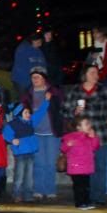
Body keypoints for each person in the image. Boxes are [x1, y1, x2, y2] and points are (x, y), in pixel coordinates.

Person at [61, 64, 107, 206]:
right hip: (81, 137)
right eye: (92, 72)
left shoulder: (104, 90)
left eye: (97, 73)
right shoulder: (75, 91)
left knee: (100, 165)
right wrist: (74, 112)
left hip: (101, 133)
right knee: (85, 167)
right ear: (84, 74)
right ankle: (86, 196)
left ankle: (99, 196)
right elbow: (64, 110)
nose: (95, 75)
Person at [18, 67, 64, 202]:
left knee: (50, 163)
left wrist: (52, 100)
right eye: (33, 77)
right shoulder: (28, 94)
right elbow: (23, 111)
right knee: (38, 163)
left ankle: (50, 190)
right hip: (35, 133)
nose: (35, 80)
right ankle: (38, 189)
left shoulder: (54, 92)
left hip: (51, 132)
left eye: (37, 77)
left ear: (44, 78)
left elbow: (62, 109)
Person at [3, 96, 50, 203]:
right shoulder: (13, 124)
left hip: (30, 153)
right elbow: (5, 133)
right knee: (19, 175)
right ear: (19, 114)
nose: (29, 114)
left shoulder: (31, 122)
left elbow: (40, 113)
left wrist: (46, 102)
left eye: (29, 112)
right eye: (26, 113)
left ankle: (28, 194)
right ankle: (16, 194)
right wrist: (12, 139)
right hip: (20, 153)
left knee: (29, 176)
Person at [61, 117, 101, 210]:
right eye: (86, 124)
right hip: (76, 167)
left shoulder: (89, 137)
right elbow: (63, 149)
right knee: (79, 187)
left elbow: (95, 147)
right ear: (78, 127)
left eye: (89, 124)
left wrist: (94, 137)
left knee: (86, 186)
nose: (89, 126)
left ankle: (86, 201)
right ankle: (79, 203)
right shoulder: (70, 137)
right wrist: (68, 145)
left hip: (86, 166)